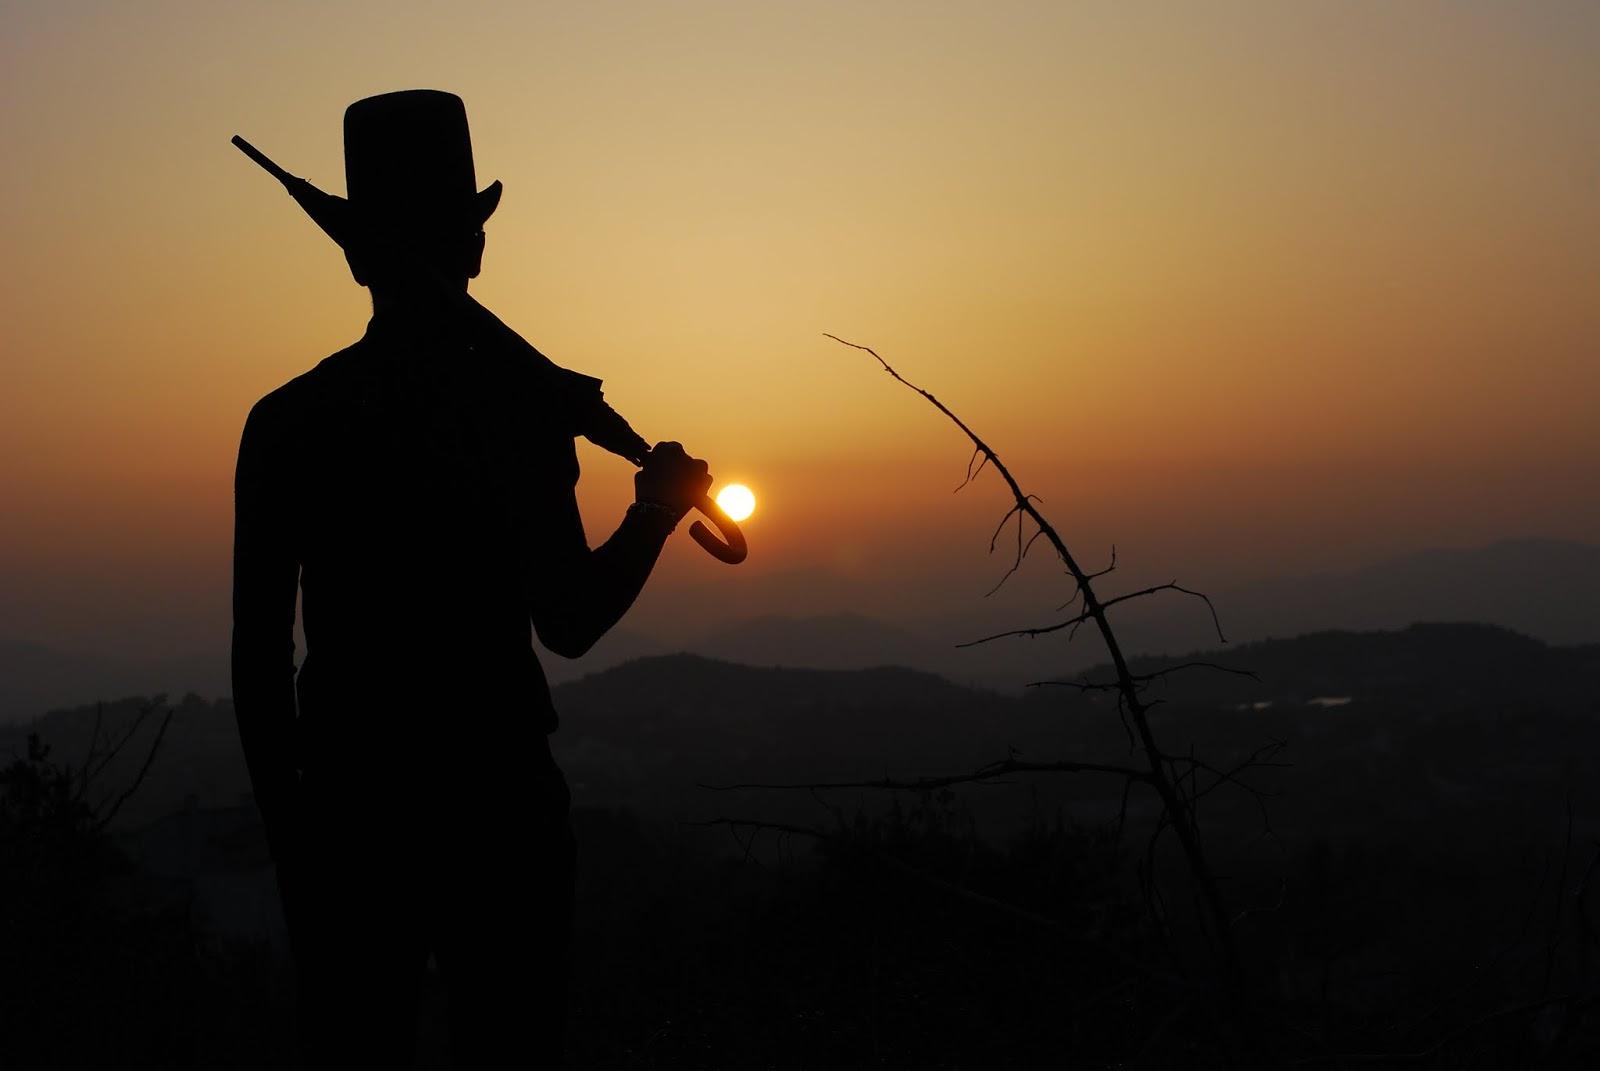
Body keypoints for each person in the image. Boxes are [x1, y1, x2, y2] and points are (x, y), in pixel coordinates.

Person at [230, 89, 712, 1069]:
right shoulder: (517, 415)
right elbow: (568, 620)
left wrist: (298, 846)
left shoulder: (287, 423)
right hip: (500, 821)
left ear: (360, 255)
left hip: (354, 825)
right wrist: (655, 512)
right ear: (474, 248)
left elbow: (257, 667)